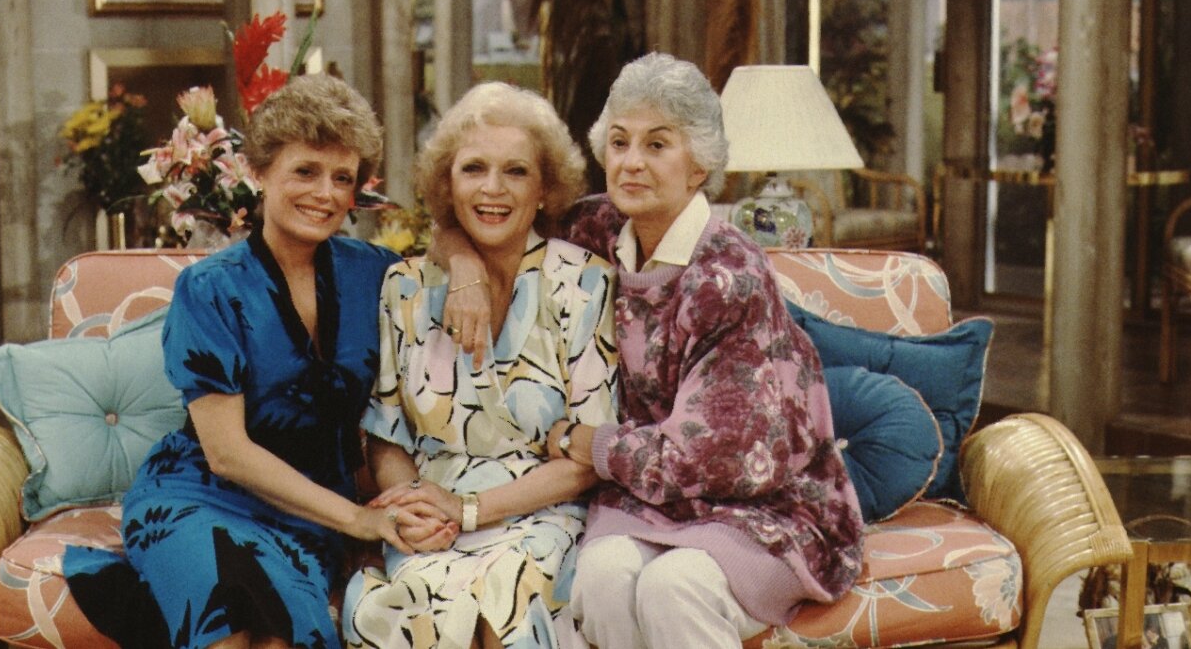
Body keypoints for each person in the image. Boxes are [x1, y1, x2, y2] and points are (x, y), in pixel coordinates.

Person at [437, 53, 865, 648]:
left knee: (674, 586)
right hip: (644, 499)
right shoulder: (595, 230)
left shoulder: (729, 273)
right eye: (619, 142)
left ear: (699, 166)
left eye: (657, 145)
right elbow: (483, 214)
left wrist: (586, 441)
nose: (631, 162)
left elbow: (716, 459)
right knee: (604, 576)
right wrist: (461, 265)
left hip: (762, 503)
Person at [64, 74, 426, 649]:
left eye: (343, 178)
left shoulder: (378, 273)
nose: (325, 193)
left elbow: (456, 252)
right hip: (200, 495)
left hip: (309, 509)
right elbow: (227, 454)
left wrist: (471, 272)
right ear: (259, 172)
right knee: (227, 632)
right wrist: (359, 520)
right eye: (304, 171)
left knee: (282, 639)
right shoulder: (209, 288)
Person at [341, 82, 620, 649]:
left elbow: (588, 457)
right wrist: (419, 508)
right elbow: (385, 437)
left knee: (506, 597)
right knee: (415, 604)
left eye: (516, 171)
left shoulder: (585, 281)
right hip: (433, 515)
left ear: (545, 188)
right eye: (473, 169)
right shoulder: (406, 286)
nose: (492, 189)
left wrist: (469, 511)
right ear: (448, 184)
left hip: (543, 511)